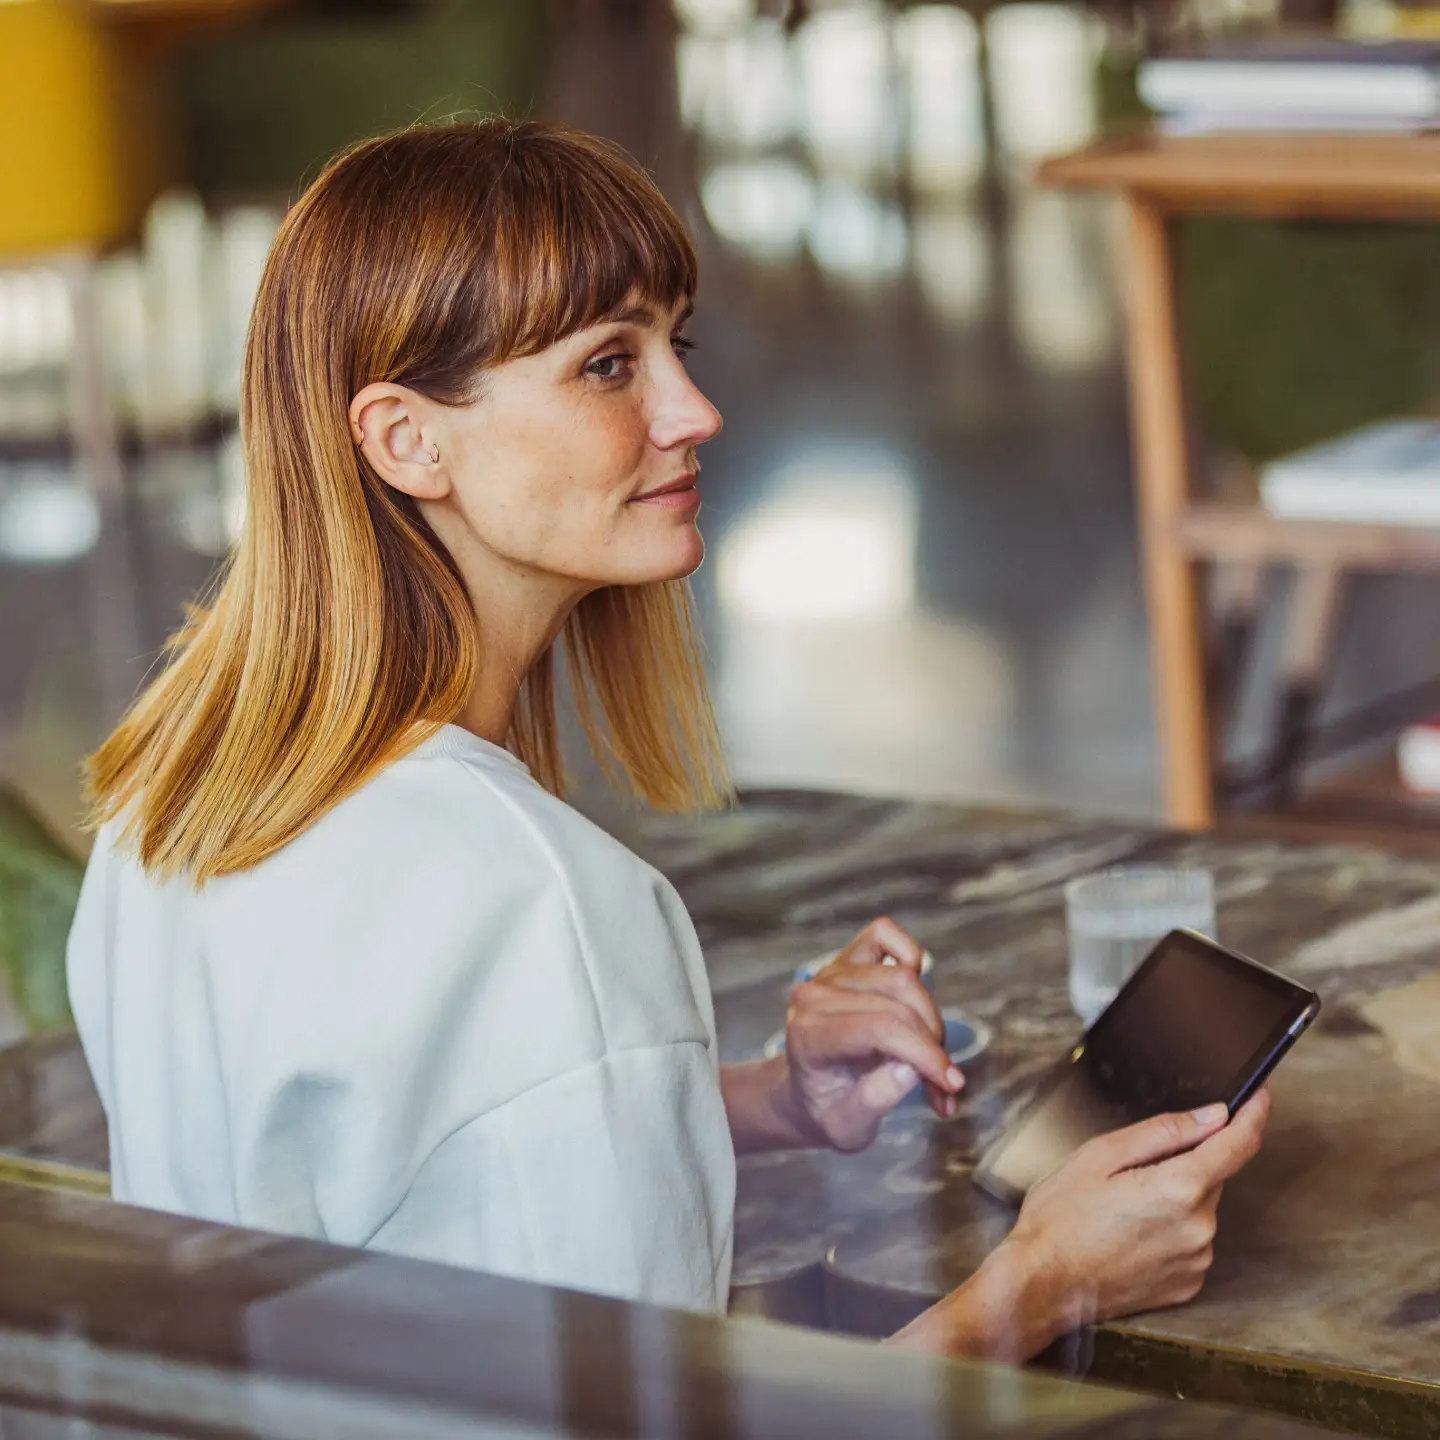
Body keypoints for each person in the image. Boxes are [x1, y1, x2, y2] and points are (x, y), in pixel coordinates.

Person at [66, 119, 1268, 1362]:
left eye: (671, 345)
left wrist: (764, 1101)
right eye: (605, 366)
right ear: (405, 439)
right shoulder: (539, 906)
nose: (693, 410)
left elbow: (389, 1182)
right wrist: (1050, 1280)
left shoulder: (172, 810)